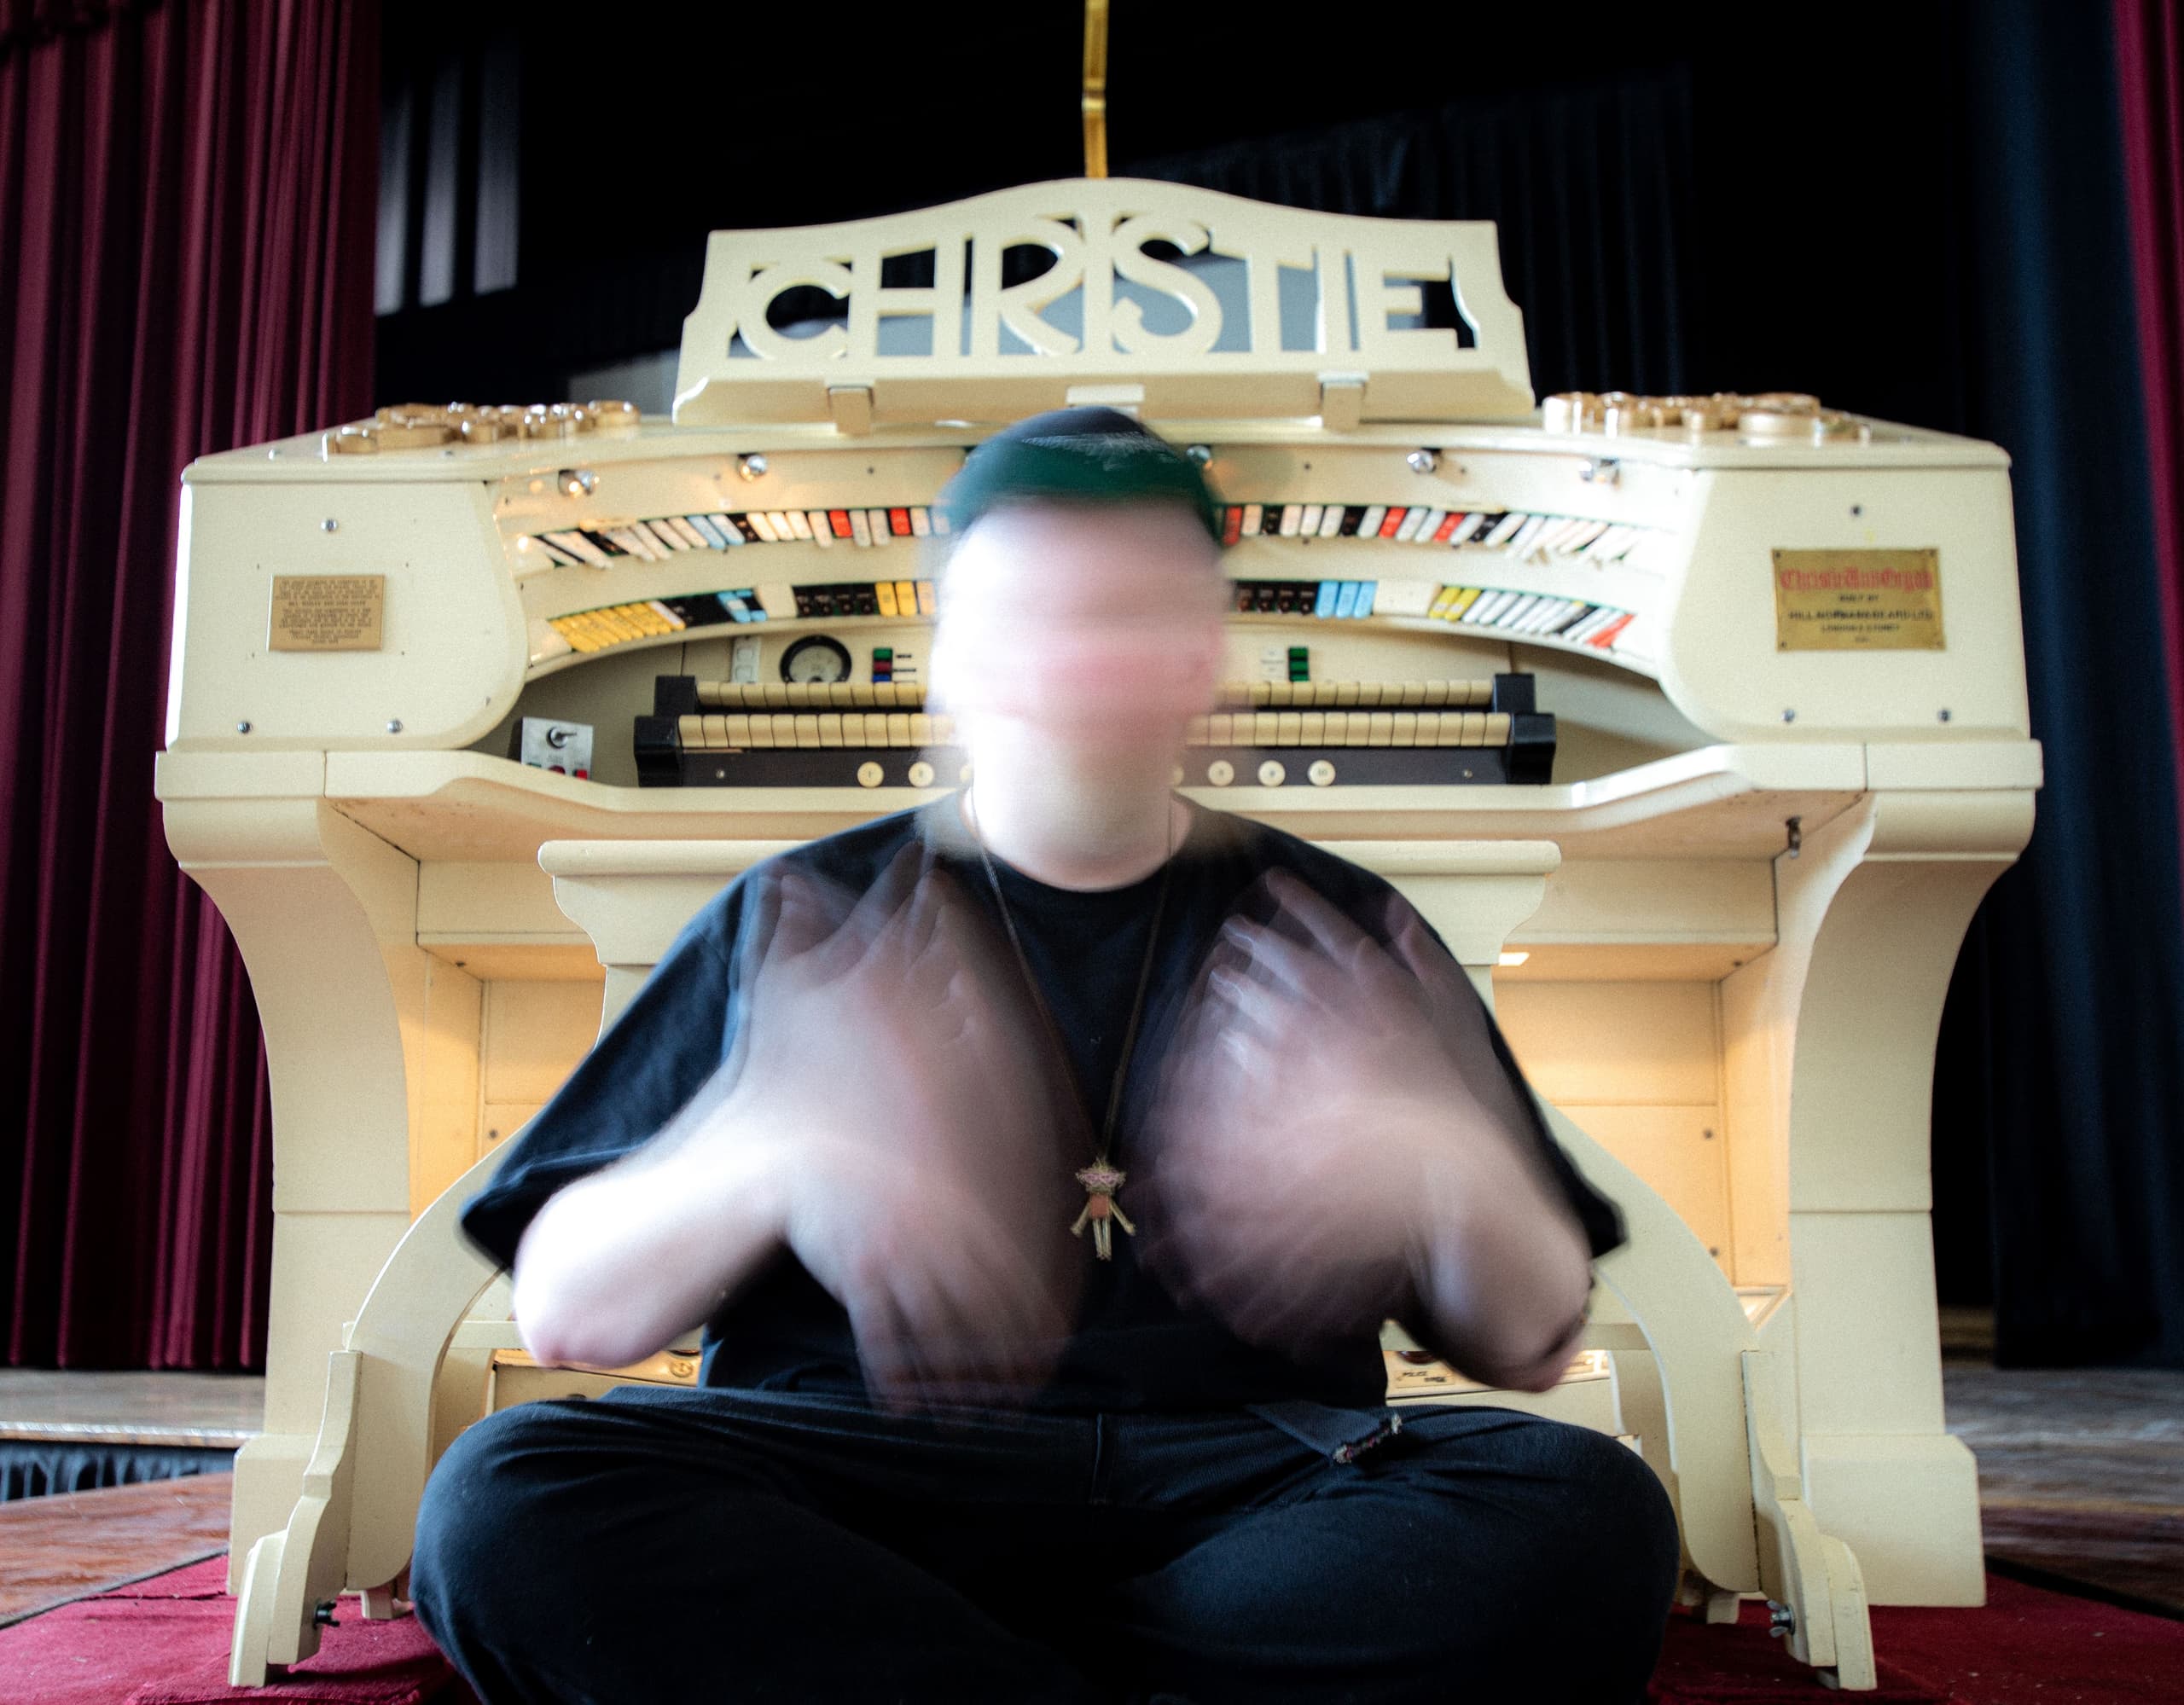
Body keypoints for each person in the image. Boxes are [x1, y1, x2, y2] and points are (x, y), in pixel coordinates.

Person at [410, 408, 1682, 1704]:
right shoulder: (800, 913)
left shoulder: (1343, 925)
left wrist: (1431, 1154)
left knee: (1587, 1513)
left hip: (1255, 1491)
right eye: (1034, 613)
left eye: (1129, 610)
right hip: (859, 1487)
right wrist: (772, 1151)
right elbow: (569, 1315)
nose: (1081, 657)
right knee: (501, 1503)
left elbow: (1525, 1342)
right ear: (951, 653)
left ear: (1203, 653)